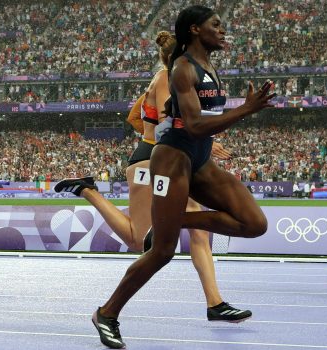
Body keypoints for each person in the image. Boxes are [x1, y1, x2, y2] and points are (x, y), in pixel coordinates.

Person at [91, 6, 275, 348]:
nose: (222, 31)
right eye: (215, 25)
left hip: (200, 159)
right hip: (173, 160)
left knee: (254, 224)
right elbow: (193, 126)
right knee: (162, 252)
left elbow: (201, 125)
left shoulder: (208, 65)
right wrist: (245, 109)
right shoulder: (181, 69)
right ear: (194, 30)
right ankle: (107, 313)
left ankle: (176, 220)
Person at [54, 31, 250, 323]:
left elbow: (136, 117)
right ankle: (89, 191)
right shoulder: (165, 80)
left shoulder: (170, 80)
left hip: (173, 160)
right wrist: (200, 142)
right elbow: (167, 126)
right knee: (138, 239)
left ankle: (215, 303)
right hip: (152, 161)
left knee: (199, 231)